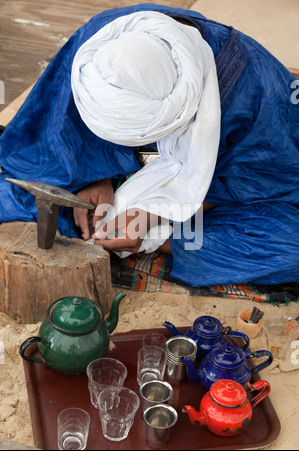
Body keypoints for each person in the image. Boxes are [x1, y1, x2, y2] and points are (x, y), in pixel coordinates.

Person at [0, 4, 298, 288]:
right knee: (21, 195)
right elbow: (55, 132)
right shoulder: (97, 43)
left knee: (288, 246)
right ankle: (114, 226)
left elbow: (259, 185)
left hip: (213, 199)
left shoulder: (260, 92)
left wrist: (153, 218)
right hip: (115, 173)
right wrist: (94, 176)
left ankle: (157, 242)